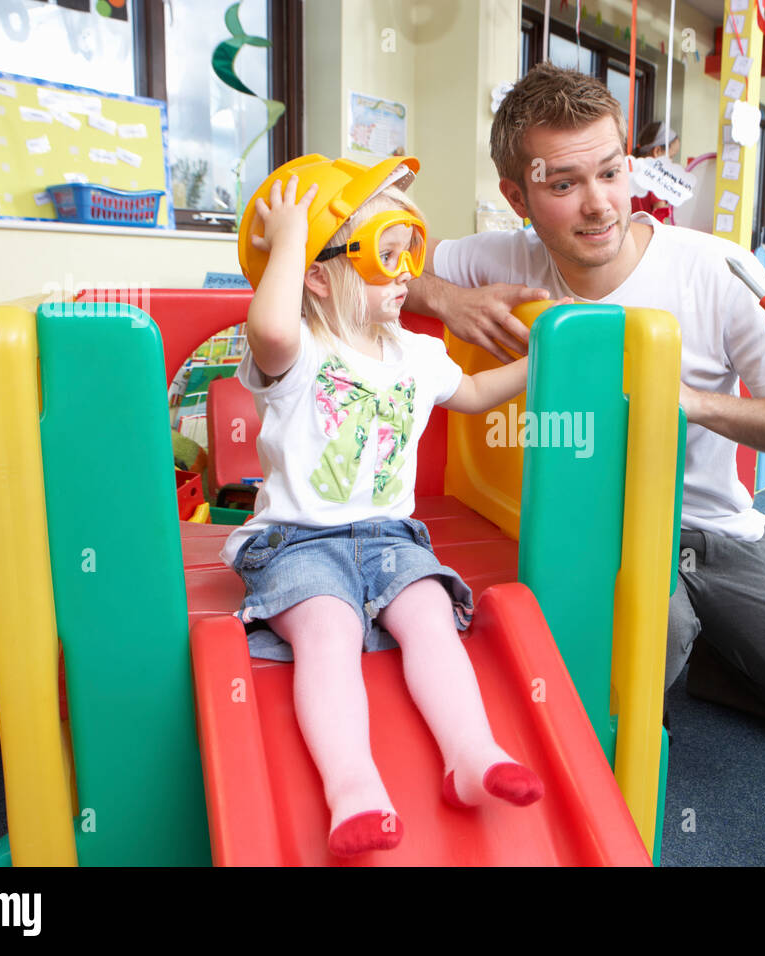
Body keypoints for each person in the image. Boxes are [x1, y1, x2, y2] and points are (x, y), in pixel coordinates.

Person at [406, 62, 765, 765]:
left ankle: (706, 654)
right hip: (594, 535)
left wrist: (690, 403)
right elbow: (358, 265)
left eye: (611, 173)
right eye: (564, 185)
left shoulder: (718, 270)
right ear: (516, 195)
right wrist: (442, 297)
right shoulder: (496, 257)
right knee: (647, 641)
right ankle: (675, 656)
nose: (599, 205)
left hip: (713, 534)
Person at [223, 154, 543, 858]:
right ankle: (354, 788)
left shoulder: (416, 354)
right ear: (317, 272)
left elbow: (478, 396)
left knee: (431, 617)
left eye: (411, 253)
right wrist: (289, 239)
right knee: (329, 630)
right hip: (299, 542)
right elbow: (270, 329)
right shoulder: (301, 350)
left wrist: (549, 356)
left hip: (393, 537)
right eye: (384, 256)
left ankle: (471, 754)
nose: (406, 274)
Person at [630, 120, 680, 223]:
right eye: (671, 157)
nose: (671, 162)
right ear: (657, 151)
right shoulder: (656, 180)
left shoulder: (629, 172)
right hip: (647, 236)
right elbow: (659, 219)